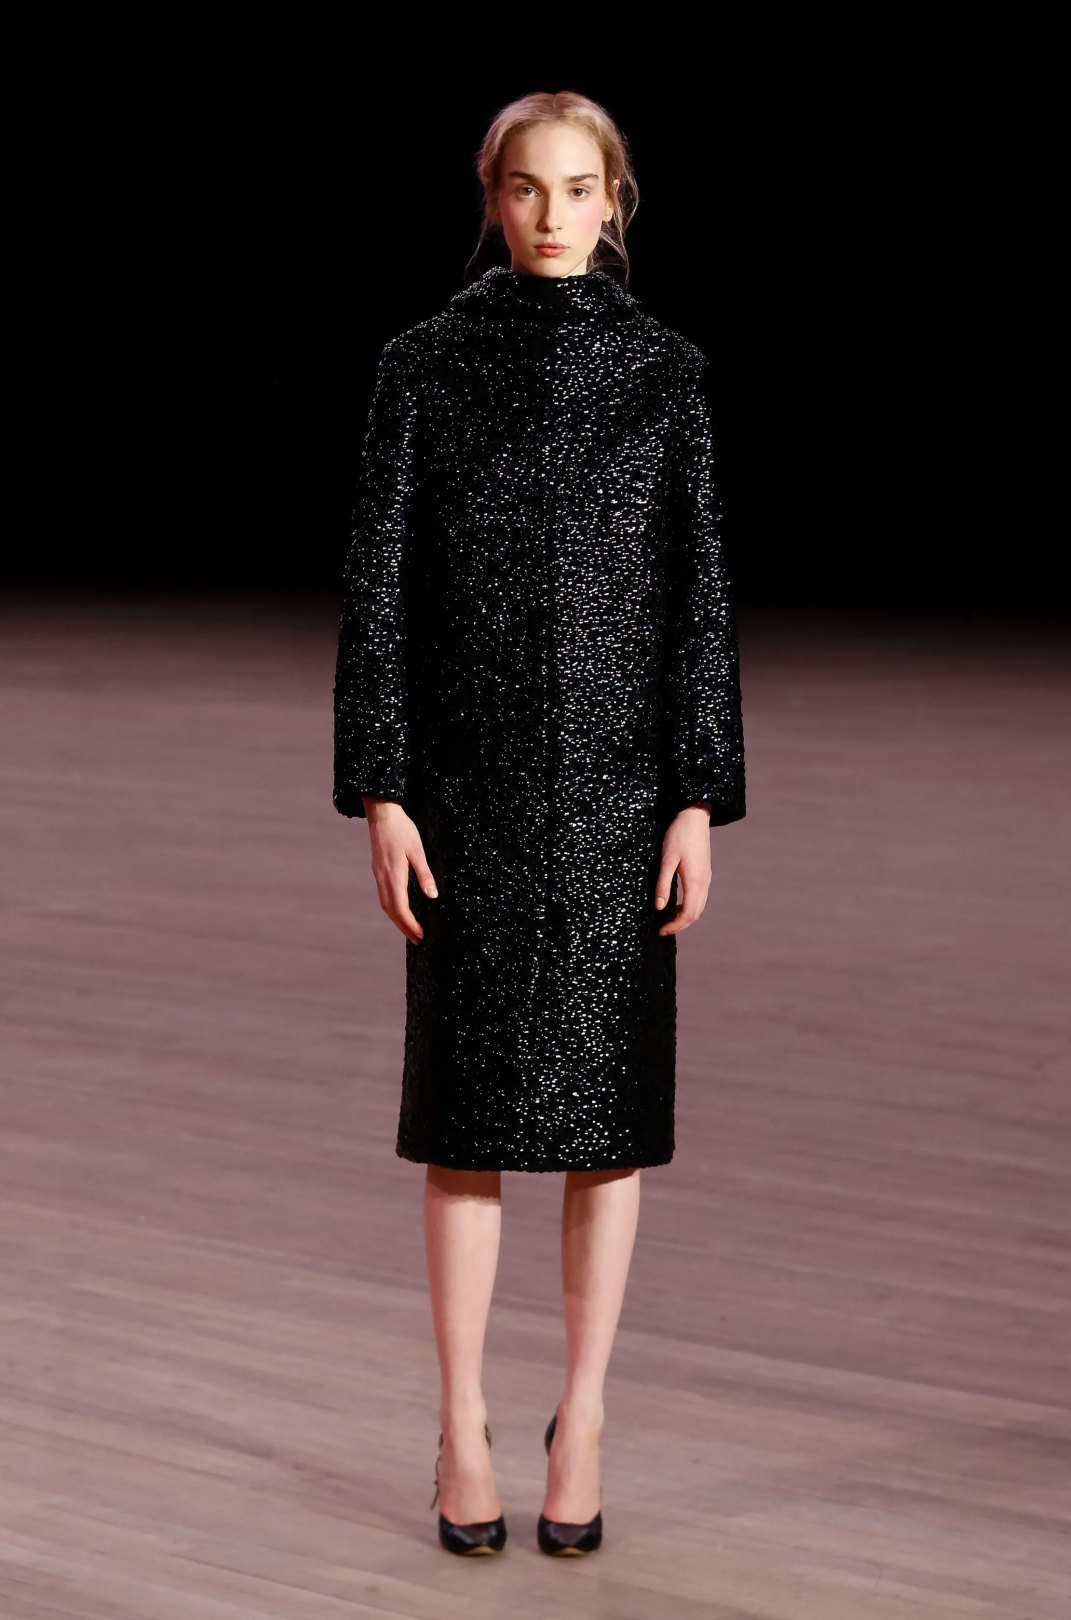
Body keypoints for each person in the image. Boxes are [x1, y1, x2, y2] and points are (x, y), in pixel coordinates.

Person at [333, 89, 745, 1557]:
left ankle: (586, 1412)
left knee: (603, 1124)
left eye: (580, 188)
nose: (554, 214)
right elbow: (380, 590)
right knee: (465, 1121)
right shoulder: (424, 366)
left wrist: (698, 797)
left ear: (615, 200)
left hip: (623, 800)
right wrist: (382, 790)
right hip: (469, 796)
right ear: (492, 197)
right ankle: (461, 1422)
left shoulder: (665, 374)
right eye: (528, 187)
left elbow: (699, 599)